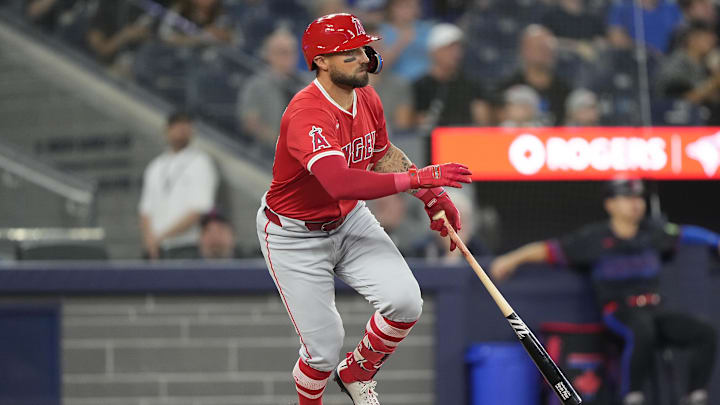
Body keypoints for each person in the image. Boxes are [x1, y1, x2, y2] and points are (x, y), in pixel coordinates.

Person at [255, 13, 472, 405]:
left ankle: (357, 372)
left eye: (362, 48)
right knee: (322, 350)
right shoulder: (308, 114)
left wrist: (431, 195)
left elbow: (382, 153)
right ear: (321, 61)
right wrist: (418, 180)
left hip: (348, 218)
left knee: (405, 301)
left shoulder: (367, 96)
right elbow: (340, 181)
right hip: (293, 234)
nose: (362, 57)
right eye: (348, 52)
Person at [490, 179, 718, 405]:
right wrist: (512, 259)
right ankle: (632, 397)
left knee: (704, 332)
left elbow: (684, 233)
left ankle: (695, 396)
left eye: (639, 198)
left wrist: (715, 240)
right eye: (627, 198)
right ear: (610, 204)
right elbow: (547, 250)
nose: (636, 204)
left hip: (655, 310)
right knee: (642, 329)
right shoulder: (594, 238)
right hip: (619, 311)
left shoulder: (653, 232)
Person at [139, 112, 218, 260]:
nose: (182, 128)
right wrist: (150, 240)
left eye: (186, 124)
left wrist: (161, 237)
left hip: (186, 246)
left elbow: (199, 209)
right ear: (167, 129)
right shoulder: (155, 166)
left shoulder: (201, 162)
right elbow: (145, 210)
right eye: (177, 124)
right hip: (156, 248)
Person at [237, 28, 308, 148]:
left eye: (292, 52)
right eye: (283, 52)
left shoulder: (306, 85)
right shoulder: (257, 85)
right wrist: (278, 141)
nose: (289, 58)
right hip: (266, 153)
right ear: (269, 55)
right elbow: (249, 121)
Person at [412, 23, 491, 129]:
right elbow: (416, 123)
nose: (456, 53)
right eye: (449, 48)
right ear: (434, 52)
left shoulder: (470, 84)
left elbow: (482, 120)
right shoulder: (420, 86)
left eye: (458, 48)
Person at [497, 25, 573, 126]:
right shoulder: (508, 90)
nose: (544, 52)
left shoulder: (565, 91)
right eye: (538, 47)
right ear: (524, 50)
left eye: (548, 48)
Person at [657, 20, 720, 124]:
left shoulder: (706, 63)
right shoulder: (676, 64)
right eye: (708, 36)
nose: (714, 40)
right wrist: (715, 81)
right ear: (692, 39)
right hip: (674, 123)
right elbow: (683, 100)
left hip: (705, 121)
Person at [607, 0, 682, 53]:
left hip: (668, 63)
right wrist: (648, 52)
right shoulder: (623, 7)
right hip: (637, 61)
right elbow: (617, 39)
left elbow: (682, 35)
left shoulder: (671, 7)